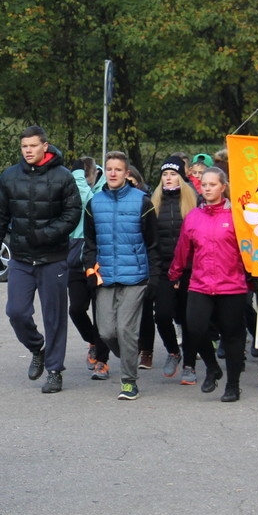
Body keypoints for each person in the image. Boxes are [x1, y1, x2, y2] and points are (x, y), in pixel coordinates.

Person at [0, 126, 82, 394]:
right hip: (22, 258)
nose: (28, 150)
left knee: (55, 317)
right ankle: (37, 347)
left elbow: (72, 214)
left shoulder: (63, 177)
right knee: (16, 312)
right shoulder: (10, 177)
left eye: (33, 146)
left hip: (53, 257)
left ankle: (54, 371)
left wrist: (45, 234)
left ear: (45, 147)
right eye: (24, 146)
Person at [169, 167, 249, 401]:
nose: (207, 188)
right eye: (204, 184)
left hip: (231, 284)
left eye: (212, 184)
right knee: (194, 327)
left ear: (223, 187)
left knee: (232, 335)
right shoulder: (194, 216)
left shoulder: (237, 215)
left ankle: (233, 385)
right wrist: (174, 273)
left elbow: (250, 249)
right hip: (201, 283)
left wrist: (254, 273)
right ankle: (212, 367)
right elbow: (183, 247)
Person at [82, 151, 155, 401]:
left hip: (135, 276)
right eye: (109, 169)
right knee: (105, 332)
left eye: (118, 169)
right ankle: (128, 356)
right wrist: (90, 269)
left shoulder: (142, 202)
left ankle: (128, 381)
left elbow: (152, 242)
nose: (113, 173)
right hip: (105, 277)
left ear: (127, 174)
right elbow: (89, 242)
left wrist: (153, 277)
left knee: (126, 329)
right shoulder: (94, 203)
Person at [147, 156, 199, 384]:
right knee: (163, 315)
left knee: (188, 319)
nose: (168, 178)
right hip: (163, 269)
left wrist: (186, 269)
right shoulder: (153, 203)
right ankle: (173, 352)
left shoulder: (193, 202)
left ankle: (190, 364)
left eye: (173, 174)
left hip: (189, 269)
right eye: (165, 174)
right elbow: (149, 239)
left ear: (181, 176)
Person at [66, 157, 111, 379]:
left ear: (93, 175)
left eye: (82, 178)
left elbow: (90, 203)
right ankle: (93, 341)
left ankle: (102, 361)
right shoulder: (74, 187)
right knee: (76, 309)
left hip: (100, 258)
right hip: (75, 256)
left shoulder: (104, 189)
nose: (79, 183)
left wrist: (78, 179)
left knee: (101, 313)